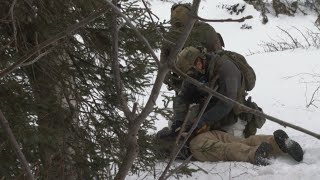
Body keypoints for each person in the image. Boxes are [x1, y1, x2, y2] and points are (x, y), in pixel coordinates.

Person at [155, 126, 304, 166]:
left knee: (225, 150)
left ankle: (254, 154)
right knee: (240, 142)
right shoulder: (171, 130)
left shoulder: (162, 142)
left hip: (195, 145)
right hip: (206, 134)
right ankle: (277, 143)